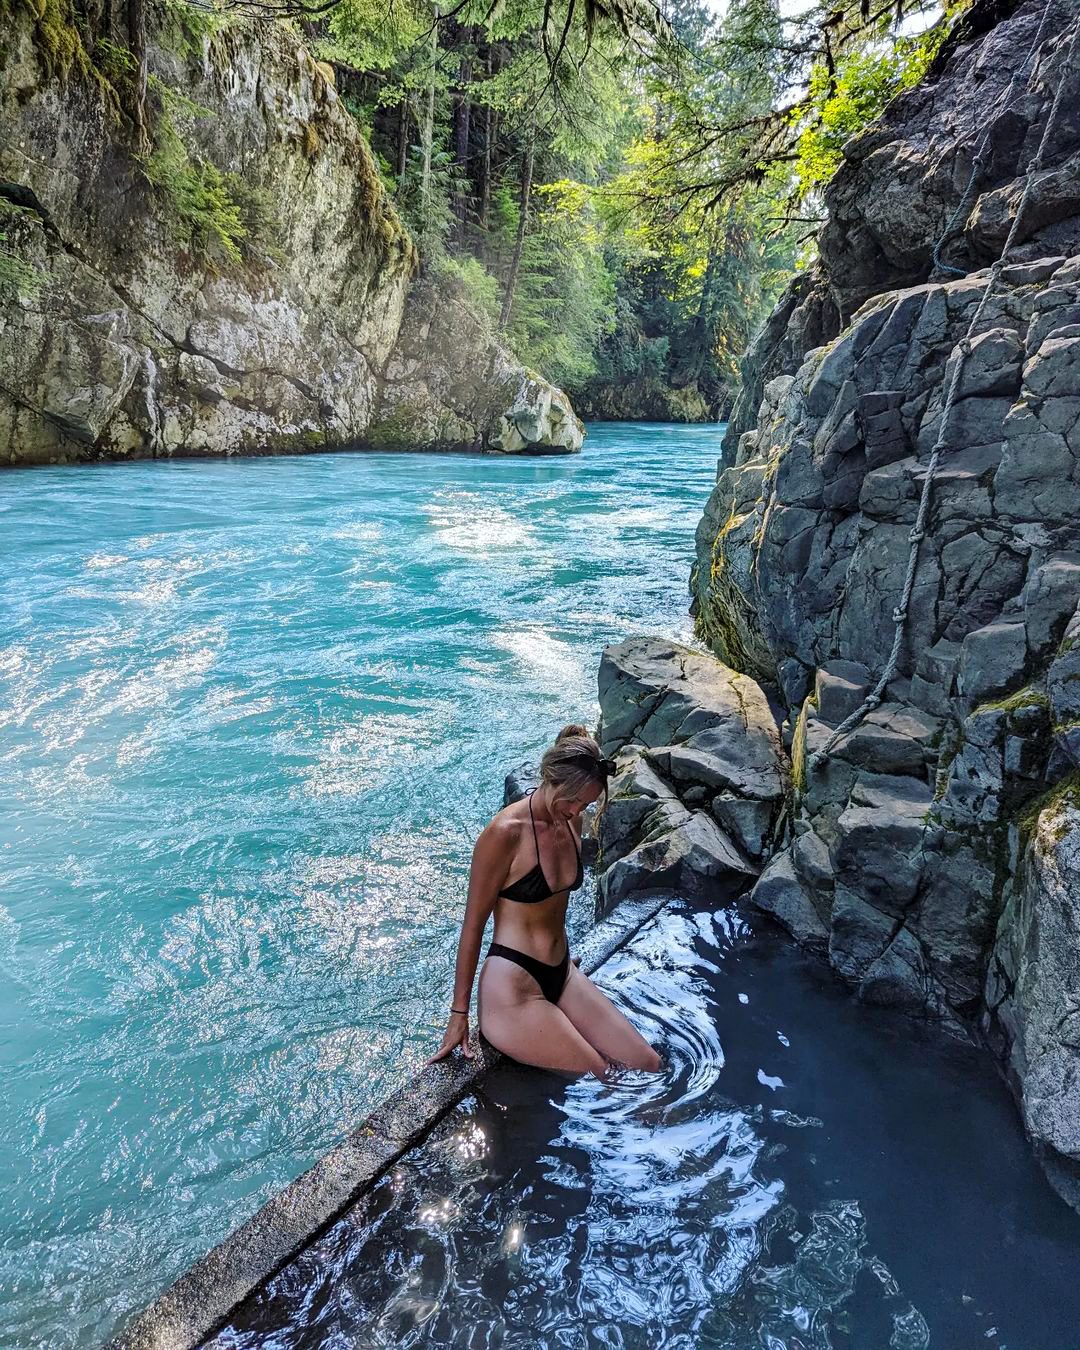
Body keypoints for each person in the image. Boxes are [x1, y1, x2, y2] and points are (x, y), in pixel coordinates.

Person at [427, 725, 664, 1078]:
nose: (577, 810)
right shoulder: (505, 833)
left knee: (649, 1065)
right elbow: (473, 927)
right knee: (607, 1078)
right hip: (512, 990)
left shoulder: (572, 819)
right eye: (574, 800)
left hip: (563, 972)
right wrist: (458, 1015)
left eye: (587, 803)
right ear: (552, 781)